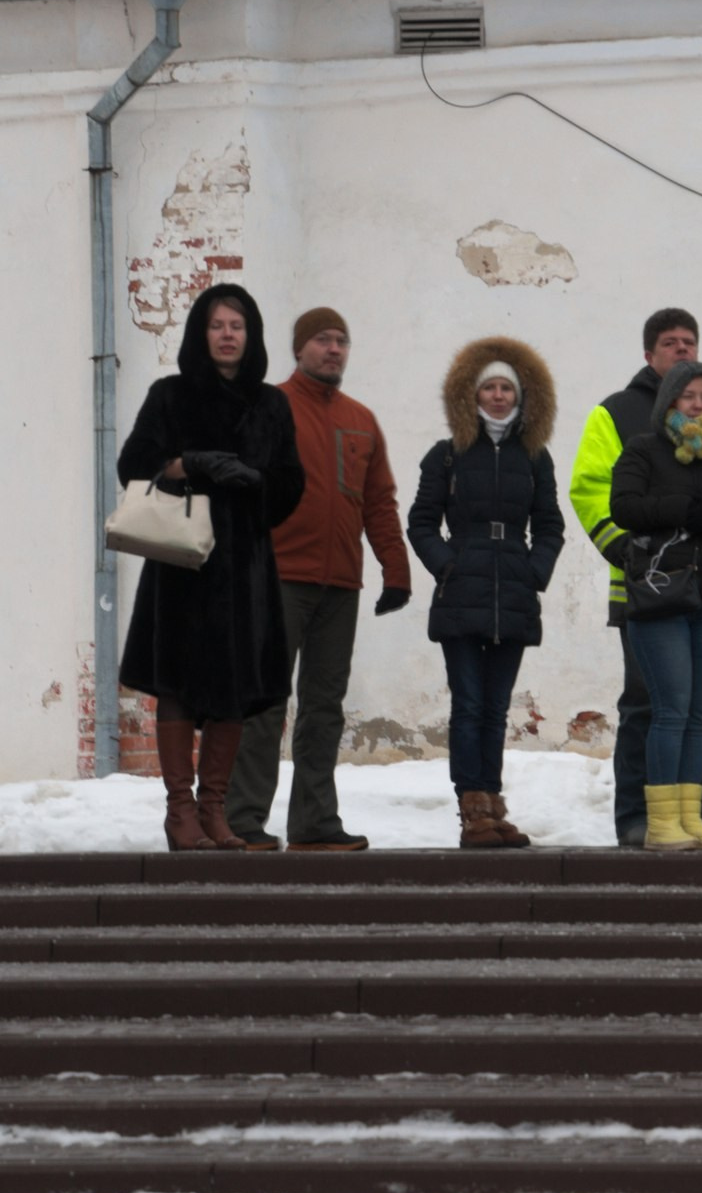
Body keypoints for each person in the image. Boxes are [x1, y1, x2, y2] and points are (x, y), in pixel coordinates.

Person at [116, 284, 306, 852]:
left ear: (252, 337)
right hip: (183, 564)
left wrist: (257, 483)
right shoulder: (171, 394)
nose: (228, 335)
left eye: (237, 326)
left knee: (236, 687)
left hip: (245, 565)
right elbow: (133, 464)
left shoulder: (271, 404)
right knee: (177, 682)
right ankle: (179, 813)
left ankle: (213, 810)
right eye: (217, 325)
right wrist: (185, 465)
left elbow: (292, 483)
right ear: (202, 334)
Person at [230, 307, 411, 853]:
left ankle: (313, 822)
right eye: (323, 340)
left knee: (323, 708)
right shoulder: (268, 407)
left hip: (340, 585)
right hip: (276, 576)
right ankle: (241, 821)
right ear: (299, 348)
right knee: (263, 705)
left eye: (342, 341)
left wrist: (395, 568)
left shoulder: (361, 418)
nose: (334, 349)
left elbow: (378, 501)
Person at [570, 309, 702, 847]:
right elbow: (590, 488)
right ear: (649, 356)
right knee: (646, 706)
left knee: (695, 711)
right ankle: (636, 818)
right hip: (645, 590)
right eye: (670, 343)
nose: (682, 351)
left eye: (690, 341)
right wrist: (626, 552)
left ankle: (693, 814)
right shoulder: (616, 413)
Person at [408, 338, 564, 849]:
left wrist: (533, 570)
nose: (498, 396)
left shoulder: (535, 458)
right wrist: (448, 566)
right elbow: (421, 522)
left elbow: (549, 526)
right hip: (462, 590)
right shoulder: (447, 455)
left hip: (513, 591)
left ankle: (493, 805)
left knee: (496, 707)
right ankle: (471, 806)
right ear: (470, 395)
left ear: (521, 397)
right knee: (470, 703)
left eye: (506, 388)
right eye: (489, 387)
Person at [611, 362, 702, 851]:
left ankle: (691, 817)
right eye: (689, 396)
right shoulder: (643, 449)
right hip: (662, 595)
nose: (698, 405)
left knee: (701, 715)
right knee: (670, 710)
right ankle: (661, 822)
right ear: (670, 402)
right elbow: (625, 508)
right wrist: (686, 508)